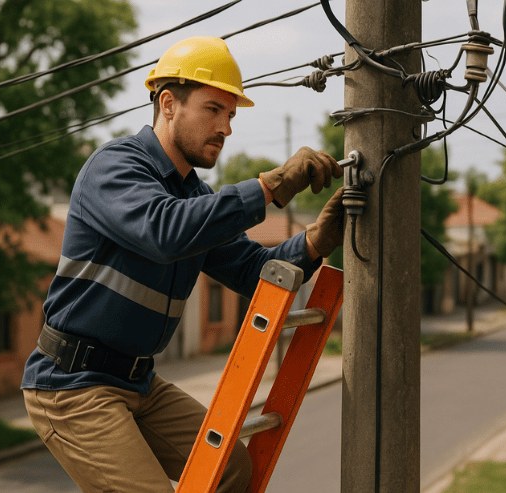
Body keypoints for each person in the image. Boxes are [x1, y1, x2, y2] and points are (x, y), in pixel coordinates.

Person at [21, 36, 345, 493]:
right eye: (214, 109)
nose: (226, 128)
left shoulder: (196, 198)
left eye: (230, 116)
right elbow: (164, 231)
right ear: (168, 104)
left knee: (232, 468)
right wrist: (267, 188)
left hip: (139, 383)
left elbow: (253, 271)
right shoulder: (115, 168)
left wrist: (313, 243)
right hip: (73, 387)